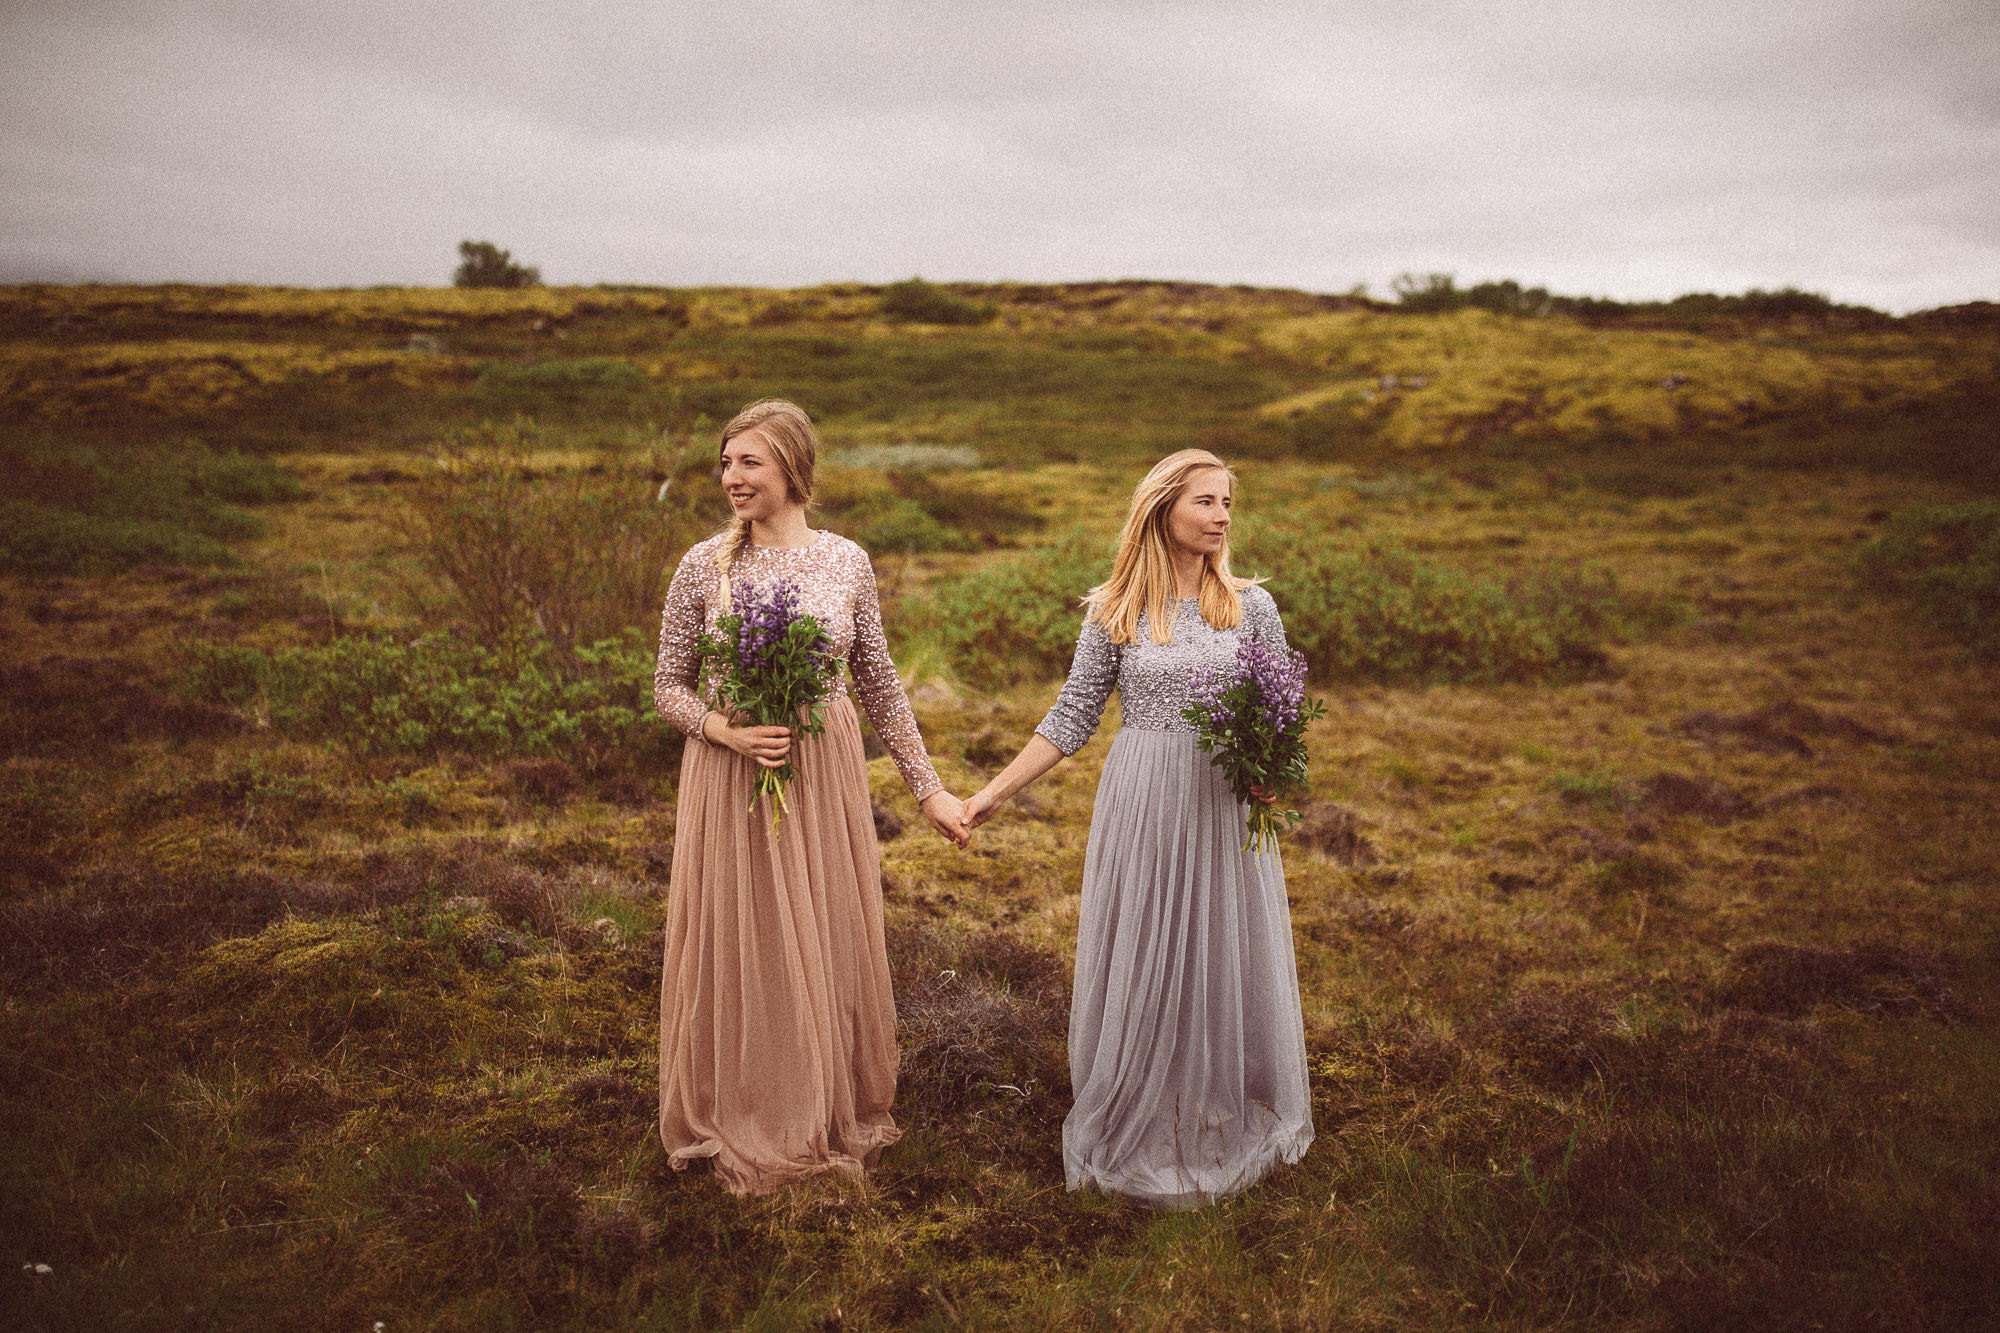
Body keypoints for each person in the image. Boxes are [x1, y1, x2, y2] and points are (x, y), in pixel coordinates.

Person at [960, 448, 1314, 1207]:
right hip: (1145, 801)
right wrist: (992, 793)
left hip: (1223, 806)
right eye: (1205, 503)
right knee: (1151, 945)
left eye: (1226, 503)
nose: (1221, 517)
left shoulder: (1252, 607)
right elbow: (1073, 715)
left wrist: (1271, 775)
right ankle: (1144, 1107)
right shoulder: (1116, 611)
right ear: (1162, 510)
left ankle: (1218, 1101)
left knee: (1221, 947)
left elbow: (1279, 710)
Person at [652, 399, 966, 1195]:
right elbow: (667, 688)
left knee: (817, 930)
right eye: (725, 463)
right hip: (732, 774)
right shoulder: (703, 566)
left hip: (822, 770)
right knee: (746, 935)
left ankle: (823, 1097)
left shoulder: (846, 561)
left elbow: (882, 689)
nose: (731, 477)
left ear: (792, 468)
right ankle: (746, 1104)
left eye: (748, 462)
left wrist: (927, 789)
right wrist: (728, 733)